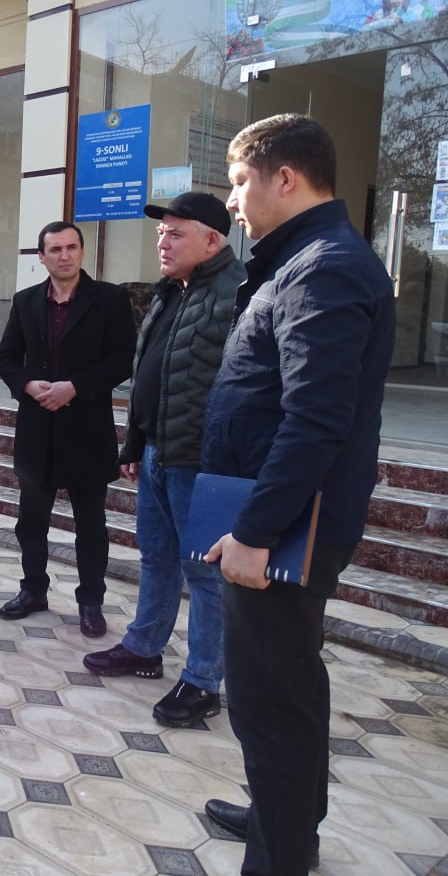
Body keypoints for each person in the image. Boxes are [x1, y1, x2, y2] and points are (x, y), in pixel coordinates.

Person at [200, 114, 394, 875]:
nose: (233, 201)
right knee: (292, 684)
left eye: (239, 182)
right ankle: (287, 824)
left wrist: (254, 532)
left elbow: (316, 418)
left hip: (286, 525)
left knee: (268, 701)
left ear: (285, 178)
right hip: (279, 513)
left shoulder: (324, 266)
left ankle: (278, 857)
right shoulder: (305, 259)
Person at [82, 192, 244, 727]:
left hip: (200, 461)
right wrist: (134, 444)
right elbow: (148, 372)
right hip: (156, 450)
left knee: (203, 572)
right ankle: (144, 648)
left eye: (176, 233)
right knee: (156, 557)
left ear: (212, 240)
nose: (163, 242)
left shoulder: (237, 292)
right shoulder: (171, 291)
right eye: (161, 233)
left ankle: (203, 680)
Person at [0, 221, 135, 637]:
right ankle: (33, 590)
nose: (65, 256)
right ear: (41, 257)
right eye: (55, 249)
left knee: (90, 526)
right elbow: (6, 357)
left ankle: (91, 602)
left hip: (86, 429)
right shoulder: (25, 301)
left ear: (82, 252)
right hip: (37, 430)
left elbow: (123, 358)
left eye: (72, 247)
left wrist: (76, 386)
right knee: (31, 523)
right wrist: (26, 386)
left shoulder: (109, 299)